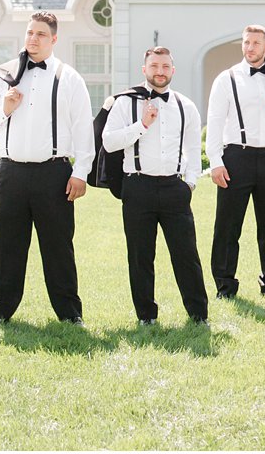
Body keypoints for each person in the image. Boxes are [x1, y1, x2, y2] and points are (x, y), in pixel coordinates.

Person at [0, 11, 94, 326]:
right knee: (6, 247)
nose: (33, 39)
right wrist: (5, 107)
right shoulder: (5, 75)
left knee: (58, 248)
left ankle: (70, 315)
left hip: (53, 175)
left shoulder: (69, 78)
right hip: (11, 174)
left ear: (54, 39)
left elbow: (84, 128)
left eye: (41, 34)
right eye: (29, 33)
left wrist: (80, 172)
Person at [101, 46, 209, 325]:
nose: (159, 72)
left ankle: (198, 315)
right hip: (137, 188)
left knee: (186, 255)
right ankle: (146, 316)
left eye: (164, 67)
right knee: (140, 256)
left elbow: (194, 150)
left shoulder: (186, 106)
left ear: (172, 70)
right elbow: (109, 141)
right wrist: (141, 125)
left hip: (175, 189)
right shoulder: (125, 103)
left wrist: (190, 184)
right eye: (154, 66)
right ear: (144, 70)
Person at [205, 25, 265, 300]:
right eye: (246, 43)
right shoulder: (226, 79)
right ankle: (225, 286)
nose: (250, 48)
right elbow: (214, 123)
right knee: (227, 226)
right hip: (236, 156)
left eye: (255, 43)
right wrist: (215, 162)